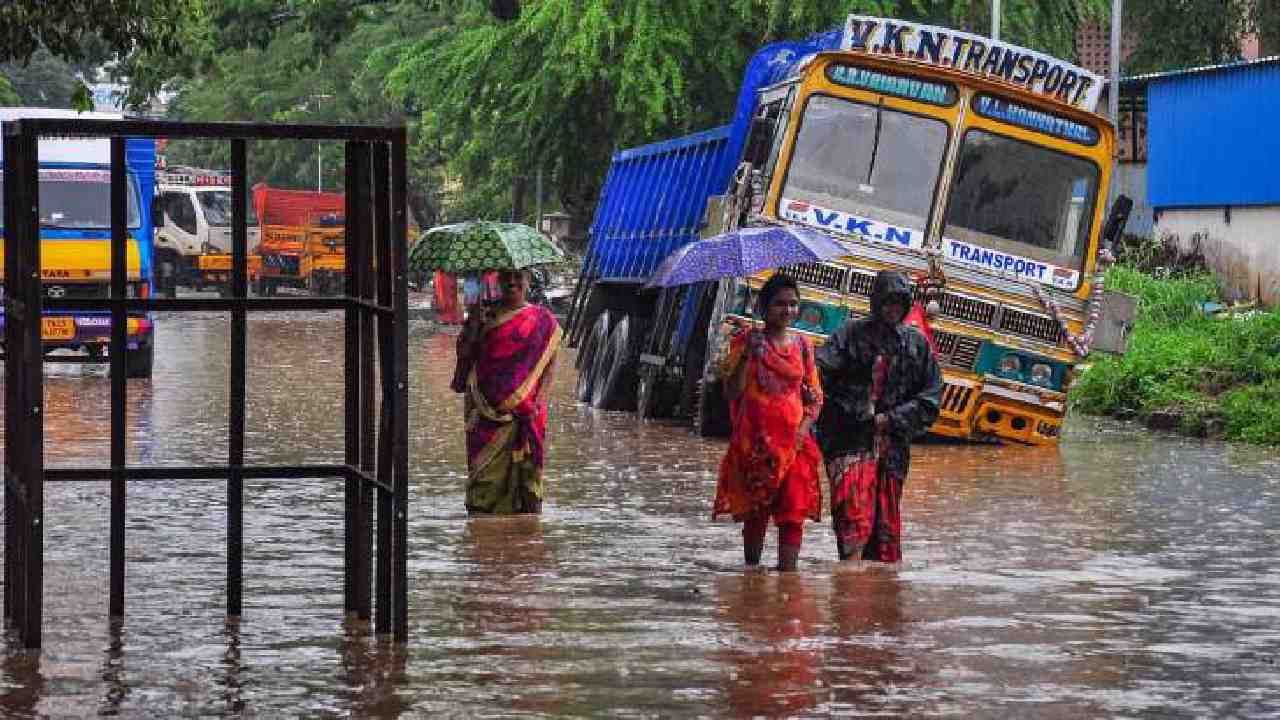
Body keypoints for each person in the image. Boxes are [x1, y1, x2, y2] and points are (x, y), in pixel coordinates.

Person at [815, 270, 942, 563]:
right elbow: (819, 376)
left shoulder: (917, 345)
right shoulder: (849, 335)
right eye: (887, 302)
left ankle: (874, 595)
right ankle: (849, 588)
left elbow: (930, 400)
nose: (892, 309)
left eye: (899, 303)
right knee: (852, 519)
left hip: (893, 450)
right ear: (875, 302)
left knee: (885, 530)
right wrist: (856, 409)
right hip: (849, 441)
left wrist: (889, 420)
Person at [713, 273, 824, 572]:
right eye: (779, 304)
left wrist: (800, 434)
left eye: (793, 304)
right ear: (764, 306)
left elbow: (814, 398)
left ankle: (788, 582)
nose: (787, 311)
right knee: (755, 514)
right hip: (756, 446)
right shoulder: (747, 342)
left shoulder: (804, 345)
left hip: (795, 446)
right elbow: (731, 392)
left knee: (792, 514)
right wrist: (746, 355)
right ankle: (752, 579)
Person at [451, 268, 562, 514]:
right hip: (485, 414)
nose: (512, 281)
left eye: (518, 276)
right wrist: (474, 327)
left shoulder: (543, 321)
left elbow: (549, 367)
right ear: (497, 281)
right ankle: (482, 539)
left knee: (529, 489)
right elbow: (464, 363)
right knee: (484, 485)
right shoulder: (483, 317)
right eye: (506, 277)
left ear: (528, 281)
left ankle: (526, 540)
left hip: (528, 415)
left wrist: (538, 403)